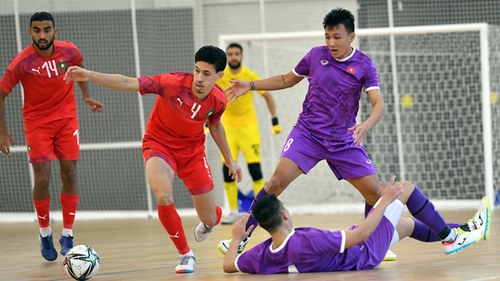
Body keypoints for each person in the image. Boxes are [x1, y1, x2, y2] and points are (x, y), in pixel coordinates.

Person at [63, 45, 243, 274]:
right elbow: (128, 83)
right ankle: (186, 254)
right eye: (197, 70)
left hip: (193, 153)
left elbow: (215, 125)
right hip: (159, 145)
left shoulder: (218, 100)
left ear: (219, 76)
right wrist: (88, 75)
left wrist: (229, 160)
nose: (199, 78)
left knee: (209, 216)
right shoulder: (170, 83)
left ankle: (210, 220)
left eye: (206, 74)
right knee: (164, 195)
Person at [222, 176, 491, 274]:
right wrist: (385, 202)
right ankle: (452, 237)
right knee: (403, 189)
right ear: (284, 215)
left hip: (360, 248)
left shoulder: (261, 256)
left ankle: (466, 230)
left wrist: (236, 239)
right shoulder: (306, 241)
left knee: (406, 226)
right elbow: (362, 234)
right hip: (365, 250)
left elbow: (228, 266)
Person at [0, 12, 103, 262]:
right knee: (43, 179)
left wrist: (85, 95)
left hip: (67, 120)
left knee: (69, 173)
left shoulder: (69, 52)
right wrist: (2, 131)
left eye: (47, 30)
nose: (42, 35)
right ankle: (45, 233)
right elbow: (1, 93)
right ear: (30, 32)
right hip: (37, 124)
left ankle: (67, 234)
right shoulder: (21, 63)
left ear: (55, 31)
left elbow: (79, 70)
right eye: (37, 30)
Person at [215, 43, 281, 224]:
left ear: (241, 56)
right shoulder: (221, 76)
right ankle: (233, 211)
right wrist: (207, 122)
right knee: (227, 169)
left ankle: (258, 210)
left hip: (249, 128)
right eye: (230, 54)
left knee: (255, 170)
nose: (233, 57)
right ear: (227, 56)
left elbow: (267, 95)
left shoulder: (249, 76)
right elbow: (209, 95)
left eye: (237, 54)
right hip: (228, 128)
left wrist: (274, 120)